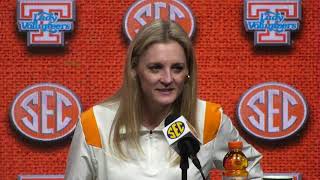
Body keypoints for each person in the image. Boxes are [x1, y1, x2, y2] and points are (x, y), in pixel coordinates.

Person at [65, 20, 263, 180]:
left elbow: (251, 171)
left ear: (188, 72)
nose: (168, 79)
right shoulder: (95, 124)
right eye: (155, 68)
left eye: (177, 68)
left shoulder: (209, 119)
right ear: (134, 69)